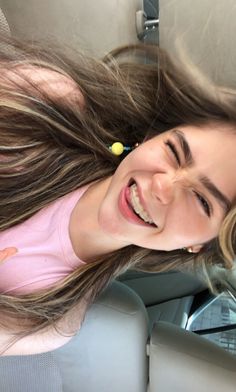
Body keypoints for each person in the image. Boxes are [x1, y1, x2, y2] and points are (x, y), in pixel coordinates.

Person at [0, 35, 235, 355]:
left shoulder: (50, 319)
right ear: (151, 137)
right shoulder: (50, 103)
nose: (162, 187)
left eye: (202, 200)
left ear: (200, 245)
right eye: (173, 150)